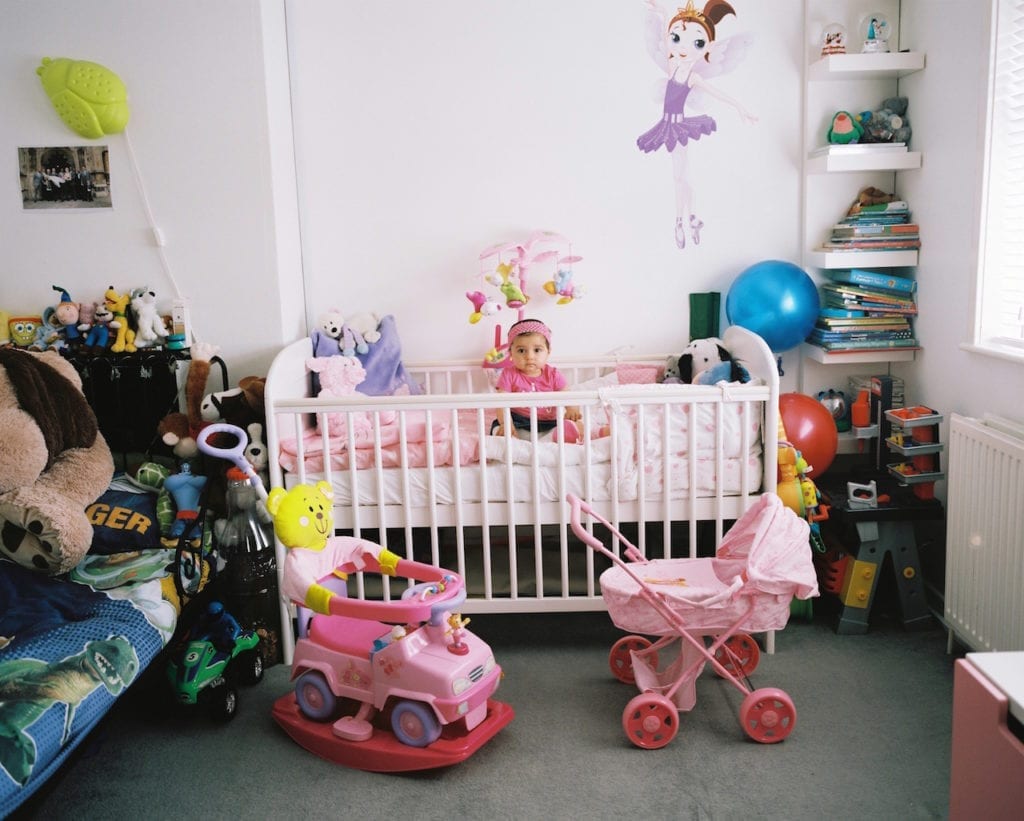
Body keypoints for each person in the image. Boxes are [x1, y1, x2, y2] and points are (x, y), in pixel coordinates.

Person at [637, 0, 757, 249]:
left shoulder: (694, 77)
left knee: (681, 177)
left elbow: (719, 94)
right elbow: (663, 40)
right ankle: (687, 219)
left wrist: (741, 109)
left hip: (679, 127)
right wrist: (662, 13)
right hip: (666, 126)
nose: (683, 48)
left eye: (697, 42)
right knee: (679, 178)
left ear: (707, 48)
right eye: (677, 38)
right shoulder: (672, 67)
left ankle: (683, 220)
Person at [491, 318, 581, 442]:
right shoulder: (509, 374)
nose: (529, 356)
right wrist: (506, 424)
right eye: (521, 350)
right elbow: (501, 402)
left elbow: (567, 395)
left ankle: (546, 441)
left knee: (574, 427)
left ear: (548, 352)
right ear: (511, 353)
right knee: (499, 430)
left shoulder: (553, 374)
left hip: (548, 422)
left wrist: (572, 409)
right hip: (518, 420)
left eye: (537, 350)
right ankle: (520, 442)